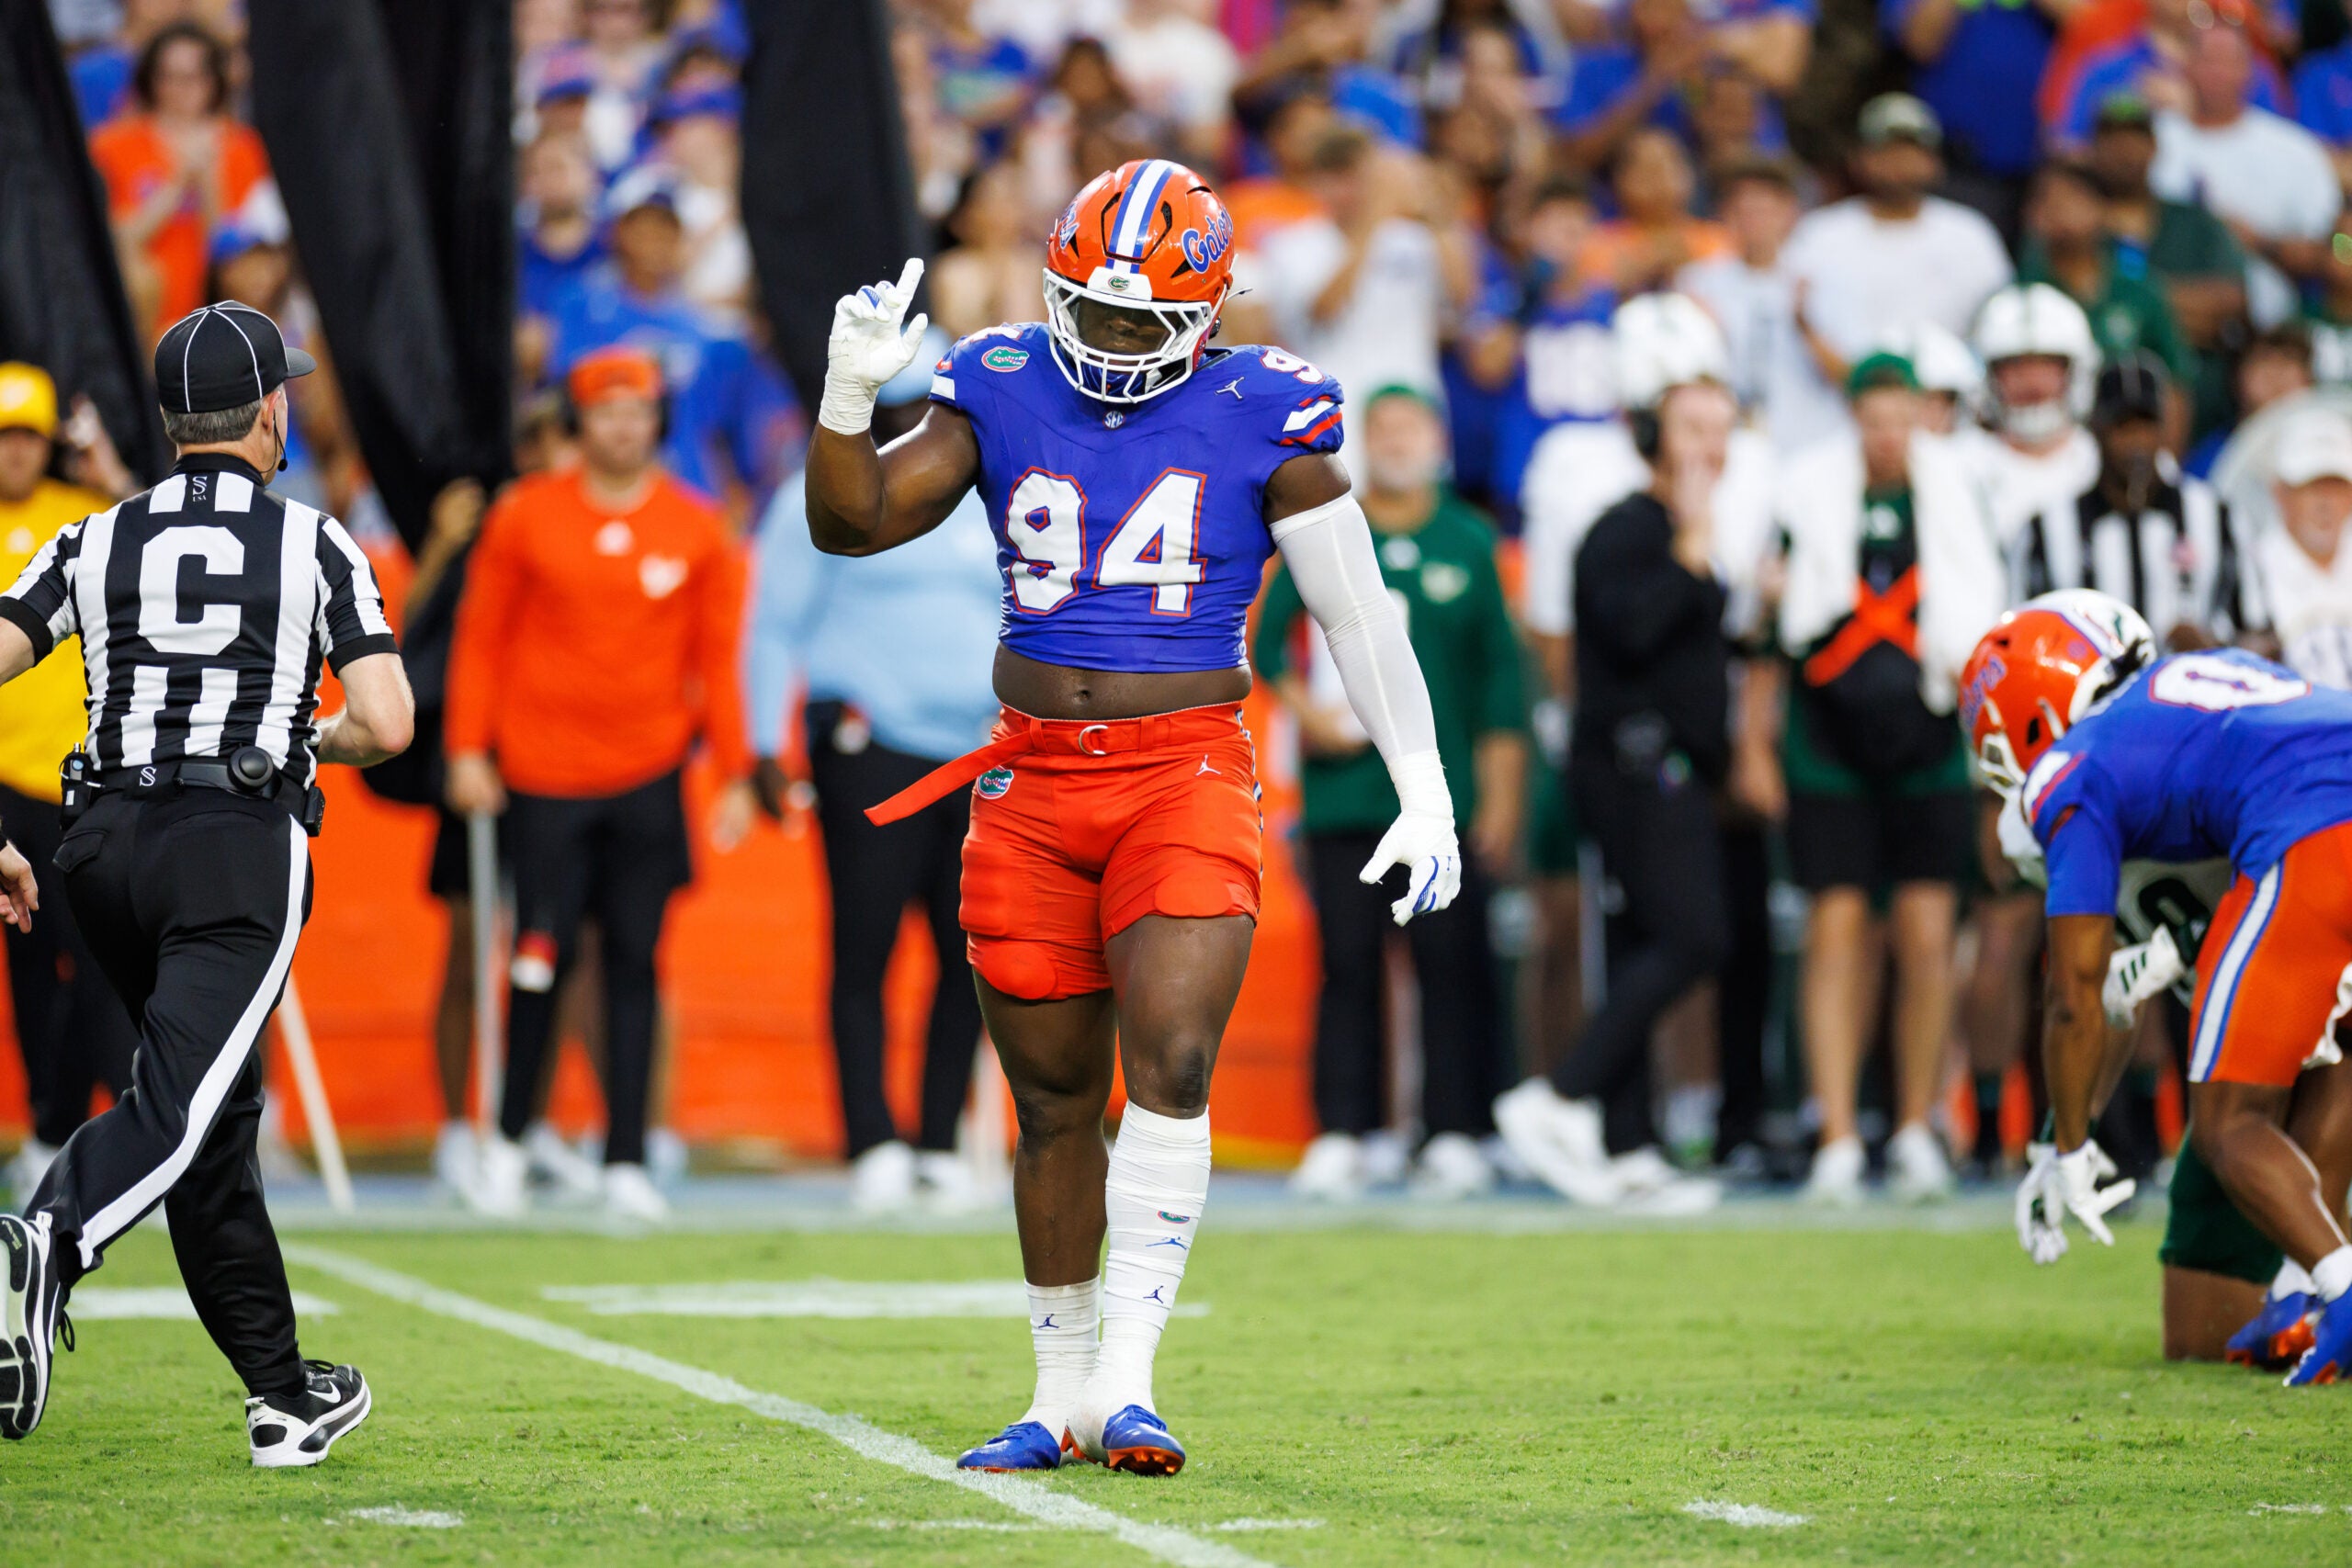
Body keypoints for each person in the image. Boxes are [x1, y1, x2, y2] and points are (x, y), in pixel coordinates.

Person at [804, 159, 1463, 1474]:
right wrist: (846, 395)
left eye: (1139, 321)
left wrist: (1423, 780)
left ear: (1210, 310)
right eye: (1089, 315)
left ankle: (1127, 1376)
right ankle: (1055, 1392)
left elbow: (1357, 611)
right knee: (1052, 1099)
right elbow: (853, 520)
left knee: (1170, 1053)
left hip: (1182, 769)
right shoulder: (997, 378)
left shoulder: (1267, 408)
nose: (1108, 344)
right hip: (1033, 777)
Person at [0, 300, 414, 1461]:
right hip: (231, 838)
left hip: (100, 845)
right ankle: (48, 1239)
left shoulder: (94, 534)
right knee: (183, 1109)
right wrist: (295, 734)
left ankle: (282, 1393)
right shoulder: (316, 541)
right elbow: (386, 721)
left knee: (212, 1115)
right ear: (272, 411)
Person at [1973, 592, 2352, 1383]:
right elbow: (2109, 1000)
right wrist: (2061, 1135)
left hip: (2312, 869)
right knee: (2201, 1329)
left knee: (2227, 1124)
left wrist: (2071, 1148)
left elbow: (2076, 995)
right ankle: (2305, 1290)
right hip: (2306, 945)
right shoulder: (2207, 689)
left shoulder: (2074, 776)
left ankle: (2334, 1285)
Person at [445, 346, 758, 1224]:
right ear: (577, 424)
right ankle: (508, 1141)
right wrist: (468, 749)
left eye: (639, 410)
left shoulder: (698, 526)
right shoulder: (525, 516)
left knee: (635, 964)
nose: (623, 427)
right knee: (537, 959)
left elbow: (717, 662)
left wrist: (734, 769)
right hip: (543, 777)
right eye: (605, 410)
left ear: (659, 420)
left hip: (648, 776)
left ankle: (626, 1154)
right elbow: (481, 639)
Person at [1492, 295, 1748, 1216]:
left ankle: (1628, 1140)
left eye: (1717, 428)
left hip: (1667, 763)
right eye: (1690, 428)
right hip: (1632, 763)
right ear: (1651, 431)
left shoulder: (1682, 530)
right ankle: (1558, 1094)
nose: (1708, 446)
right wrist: (1690, 559)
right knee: (1693, 937)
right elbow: (1630, 632)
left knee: (1647, 938)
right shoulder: (1625, 526)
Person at [744, 336, 1000, 1214]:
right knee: (867, 943)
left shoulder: (988, 492)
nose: (911, 427)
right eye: (893, 409)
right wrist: (764, 742)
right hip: (870, 743)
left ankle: (938, 1137)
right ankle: (871, 1139)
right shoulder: (819, 492)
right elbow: (774, 622)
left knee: (973, 951)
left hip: (976, 749)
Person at [1257, 386, 1527, 1203]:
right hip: (1346, 794)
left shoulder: (1468, 540)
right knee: (1347, 964)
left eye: (1410, 426)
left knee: (1450, 963)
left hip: (1440, 797)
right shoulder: (1332, 530)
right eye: (1383, 428)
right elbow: (1266, 645)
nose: (1397, 440)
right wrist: (1312, 719)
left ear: (1439, 439)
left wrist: (1502, 797)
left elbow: (1498, 685)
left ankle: (1453, 1128)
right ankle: (1347, 1128)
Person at [1765, 354, 2005, 1203]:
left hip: (1928, 734)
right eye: (1874, 417)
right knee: (1836, 930)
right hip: (1829, 738)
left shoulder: (1959, 497)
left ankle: (1913, 1123)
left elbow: (1984, 619)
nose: (1887, 435)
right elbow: (1775, 620)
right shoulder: (1805, 491)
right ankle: (1835, 1128)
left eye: (1901, 417)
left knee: (1928, 932)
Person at [0, 366, 137, 1199]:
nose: (14, 452)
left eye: (25, 435)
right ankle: (47, 1126)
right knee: (28, 970)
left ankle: (82, 1130)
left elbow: (166, 537)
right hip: (8, 779)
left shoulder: (82, 520)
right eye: (2, 436)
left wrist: (110, 471)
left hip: (85, 779)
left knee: (100, 971)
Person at [2011, 354, 2245, 651]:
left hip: (2191, 695)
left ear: (2163, 429)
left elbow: (2261, 633)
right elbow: (2020, 640)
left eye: (2146, 425)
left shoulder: (2215, 516)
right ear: (2096, 430)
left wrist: (2212, 648)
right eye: (2122, 427)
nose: (2137, 442)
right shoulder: (2046, 531)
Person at [1781, 95, 2013, 358]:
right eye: (1886, 151)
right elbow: (1798, 319)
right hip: (1834, 393)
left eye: (1911, 150)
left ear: (1935, 161)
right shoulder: (1818, 233)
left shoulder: (1970, 234)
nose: (1898, 162)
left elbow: (1994, 324)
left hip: (1947, 392)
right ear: (1858, 160)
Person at [2146, 19, 2339, 330]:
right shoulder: (2152, 142)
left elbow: (2336, 250)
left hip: (2273, 331)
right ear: (2186, 66)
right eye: (2207, 59)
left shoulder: (2295, 151)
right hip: (2171, 322)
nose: (2217, 72)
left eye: (2229, 61)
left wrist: (2258, 241)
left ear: (2251, 71)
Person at [86, 21, 272, 340]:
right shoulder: (111, 145)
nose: (180, 89)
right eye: (167, 76)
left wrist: (208, 181)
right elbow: (114, 240)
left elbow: (235, 253)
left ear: (214, 81)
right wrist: (175, 186)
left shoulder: (243, 147)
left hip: (221, 313)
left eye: (194, 76)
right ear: (150, 80)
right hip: (144, 315)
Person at [2254, 407, 2352, 686]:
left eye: (2336, 486)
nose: (2325, 503)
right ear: (2280, 493)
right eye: (2311, 486)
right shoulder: (2249, 571)